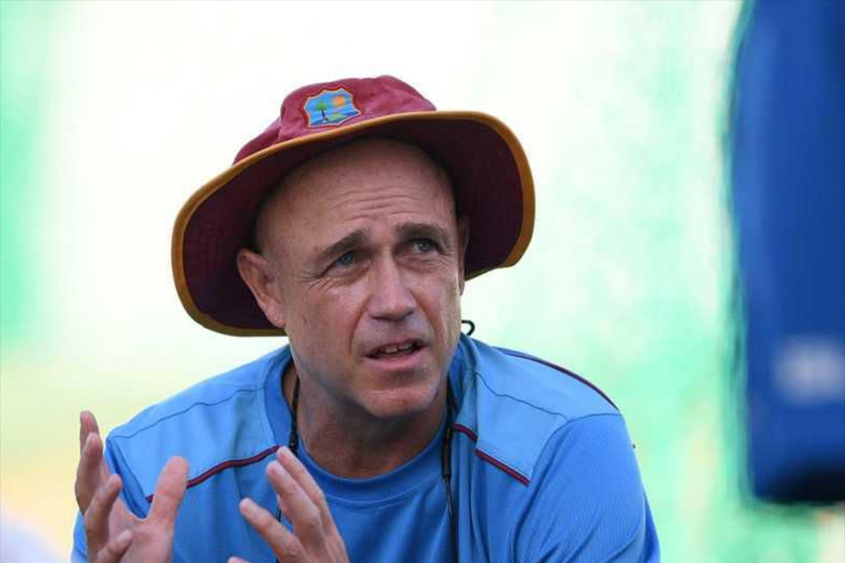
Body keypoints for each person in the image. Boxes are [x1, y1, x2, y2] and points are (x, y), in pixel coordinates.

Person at [72, 76, 660, 563]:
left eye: (422, 246)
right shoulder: (153, 484)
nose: (394, 300)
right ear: (267, 287)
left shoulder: (560, 451)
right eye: (347, 260)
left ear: (460, 256)